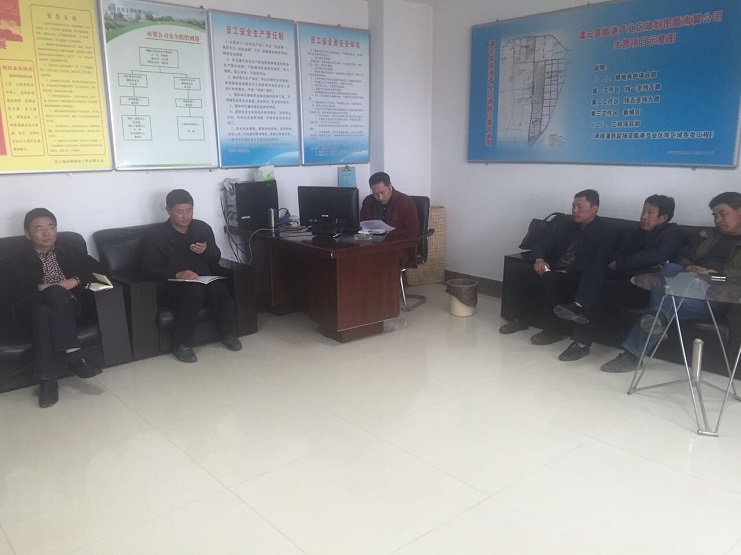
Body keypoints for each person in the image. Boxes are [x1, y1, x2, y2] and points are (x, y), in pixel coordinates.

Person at [601, 191, 741, 373]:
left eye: (723, 214)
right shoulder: (708, 235)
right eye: (715, 215)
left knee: (665, 302)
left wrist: (715, 274)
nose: (718, 220)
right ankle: (657, 319)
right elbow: (682, 255)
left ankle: (633, 355)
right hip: (688, 283)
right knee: (670, 268)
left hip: (717, 295)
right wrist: (689, 267)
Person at [552, 195, 687, 360]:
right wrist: (621, 263)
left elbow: (656, 255)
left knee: (603, 292)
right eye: (643, 211)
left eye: (650, 213)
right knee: (595, 269)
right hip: (624, 275)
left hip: (646, 285)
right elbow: (618, 256)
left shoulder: (673, 233)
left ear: (663, 218)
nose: (643, 216)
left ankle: (580, 343)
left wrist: (623, 264)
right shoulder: (637, 232)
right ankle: (578, 306)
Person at [499, 189, 619, 361]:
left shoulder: (607, 231)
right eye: (573, 206)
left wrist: (565, 270)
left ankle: (552, 331)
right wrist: (539, 259)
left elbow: (599, 262)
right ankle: (519, 318)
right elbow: (543, 243)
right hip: (553, 267)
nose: (575, 210)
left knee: (552, 279)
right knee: (516, 269)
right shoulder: (566, 224)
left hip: (577, 275)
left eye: (579, 207)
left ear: (594, 209)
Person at [1, 208, 103, 408]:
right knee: (49, 297)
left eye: (51, 227)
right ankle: (74, 354)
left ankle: (48, 381)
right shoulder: (13, 259)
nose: (46, 233)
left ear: (56, 230)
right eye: (38, 229)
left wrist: (73, 281)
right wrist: (39, 289)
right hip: (25, 309)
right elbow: (6, 293)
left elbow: (99, 270)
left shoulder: (71, 250)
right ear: (28, 234)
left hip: (66, 309)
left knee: (44, 312)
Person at [141, 189, 242, 363]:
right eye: (179, 212)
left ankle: (228, 334)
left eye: (189, 210)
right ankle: (182, 344)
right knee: (194, 292)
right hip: (172, 284)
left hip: (203, 278)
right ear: (168, 211)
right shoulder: (156, 235)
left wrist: (207, 251)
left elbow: (215, 257)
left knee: (219, 290)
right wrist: (177, 274)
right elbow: (148, 268)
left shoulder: (202, 228)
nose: (185, 216)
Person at [360, 172, 419, 238]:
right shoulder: (368, 201)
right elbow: (361, 224)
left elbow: (413, 231)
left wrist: (389, 233)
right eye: (375, 194)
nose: (380, 197)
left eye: (382, 192)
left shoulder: (406, 202)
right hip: (373, 241)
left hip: (397, 241)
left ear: (390, 187)